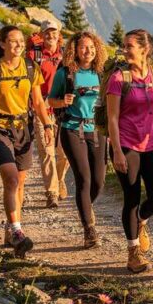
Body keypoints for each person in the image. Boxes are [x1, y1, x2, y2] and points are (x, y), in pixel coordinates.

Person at [0, 25, 55, 258]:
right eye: (13, 41)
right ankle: (18, 232)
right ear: (2, 44)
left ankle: (11, 230)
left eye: (21, 41)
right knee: (10, 178)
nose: (19, 45)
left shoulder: (31, 67)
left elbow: (38, 102)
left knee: (19, 183)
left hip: (24, 129)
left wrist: (47, 124)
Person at [106, 29, 153, 273]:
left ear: (145, 49)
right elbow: (112, 118)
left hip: (151, 145)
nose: (125, 50)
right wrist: (116, 151)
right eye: (124, 46)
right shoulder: (119, 78)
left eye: (130, 46)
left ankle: (141, 221)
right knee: (131, 198)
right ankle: (133, 252)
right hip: (126, 145)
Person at [47, 31, 108, 249]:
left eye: (91, 47)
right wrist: (62, 101)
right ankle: (89, 229)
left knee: (99, 181)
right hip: (72, 129)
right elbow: (51, 100)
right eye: (83, 47)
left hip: (97, 130)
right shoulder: (66, 73)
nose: (88, 51)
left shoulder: (101, 73)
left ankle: (85, 209)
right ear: (75, 49)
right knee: (84, 177)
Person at [28, 19, 70, 208]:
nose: (50, 36)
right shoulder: (33, 55)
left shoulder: (66, 55)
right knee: (47, 151)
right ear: (42, 34)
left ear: (59, 35)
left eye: (54, 32)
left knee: (65, 152)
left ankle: (59, 179)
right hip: (41, 108)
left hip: (63, 107)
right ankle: (51, 192)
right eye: (47, 32)